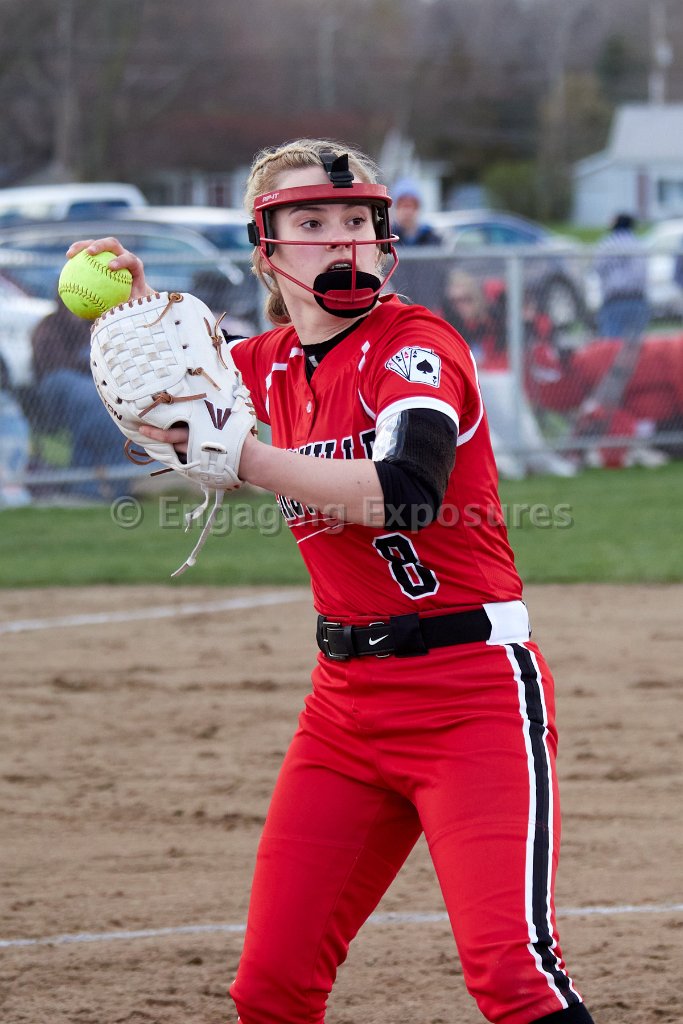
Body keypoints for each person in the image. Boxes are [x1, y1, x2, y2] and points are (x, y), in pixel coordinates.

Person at [68, 138, 595, 1024]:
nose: (341, 237)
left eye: (356, 219)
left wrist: (245, 456)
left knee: (511, 975)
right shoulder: (263, 364)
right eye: (310, 222)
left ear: (384, 239)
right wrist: (140, 314)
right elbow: (176, 402)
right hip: (344, 712)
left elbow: (408, 492)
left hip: (470, 698)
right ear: (265, 247)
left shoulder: (415, 345)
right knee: (270, 990)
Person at [30, 302, 141, 499]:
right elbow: (53, 368)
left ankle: (110, 485)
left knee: (110, 406)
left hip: (93, 392)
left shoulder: (95, 327)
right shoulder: (48, 327)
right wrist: (85, 362)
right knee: (88, 397)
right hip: (56, 390)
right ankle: (88, 486)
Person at [593, 212, 649, 339]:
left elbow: (598, 268)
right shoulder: (637, 243)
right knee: (635, 343)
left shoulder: (606, 244)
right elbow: (642, 272)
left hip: (614, 298)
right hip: (637, 297)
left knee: (612, 341)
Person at [390, 178, 442, 247]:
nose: (407, 212)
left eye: (412, 205)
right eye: (403, 206)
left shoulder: (432, 238)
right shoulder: (388, 238)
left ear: (419, 208)